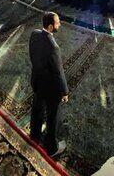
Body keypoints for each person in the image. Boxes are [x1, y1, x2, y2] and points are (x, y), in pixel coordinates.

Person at [29, 12, 68, 157]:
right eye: (58, 23)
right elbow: (58, 72)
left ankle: (34, 135)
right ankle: (51, 148)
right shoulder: (53, 47)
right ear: (51, 26)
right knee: (52, 117)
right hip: (51, 89)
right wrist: (64, 92)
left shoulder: (34, 34)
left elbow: (32, 55)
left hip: (37, 81)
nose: (60, 24)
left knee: (37, 109)